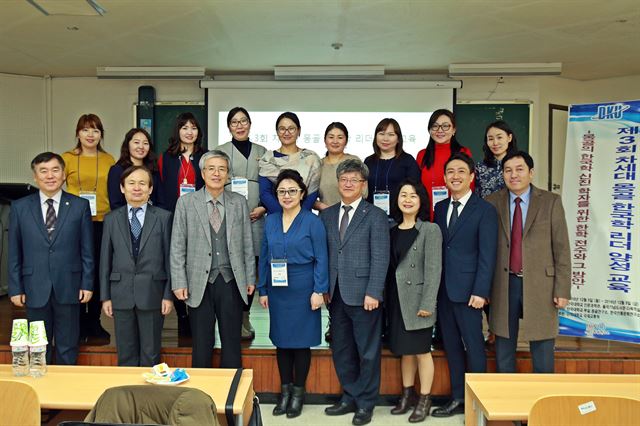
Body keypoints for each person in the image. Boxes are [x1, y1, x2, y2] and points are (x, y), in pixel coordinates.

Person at [486, 151, 571, 373]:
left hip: (541, 283)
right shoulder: (491, 203)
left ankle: (543, 399)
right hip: (504, 283)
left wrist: (562, 289)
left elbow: (561, 248)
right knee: (504, 345)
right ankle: (508, 399)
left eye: (519, 169)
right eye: (508, 170)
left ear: (531, 173)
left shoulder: (550, 202)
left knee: (542, 345)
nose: (513, 175)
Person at [170, 150, 255, 368]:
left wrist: (250, 278)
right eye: (211, 168)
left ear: (228, 174)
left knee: (232, 342)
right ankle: (201, 396)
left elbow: (247, 243)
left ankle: (231, 395)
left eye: (222, 169)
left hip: (231, 280)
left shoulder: (239, 202)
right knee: (201, 342)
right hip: (198, 283)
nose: (217, 173)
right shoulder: (186, 203)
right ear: (203, 172)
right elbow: (178, 246)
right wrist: (179, 281)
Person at [320, 159, 390, 426]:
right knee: (342, 349)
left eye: (354, 180)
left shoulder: (375, 215)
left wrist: (374, 292)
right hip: (336, 294)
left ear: (363, 185)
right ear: (338, 183)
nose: (348, 184)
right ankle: (349, 395)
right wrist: (324, 287)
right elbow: (325, 254)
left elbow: (381, 257)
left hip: (365, 296)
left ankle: (366, 403)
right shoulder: (326, 216)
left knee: (368, 352)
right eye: (344, 179)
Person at [8, 152, 94, 365]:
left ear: (64, 174)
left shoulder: (79, 206)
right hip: (34, 286)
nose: (50, 176)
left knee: (68, 346)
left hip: (70, 286)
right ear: (35, 177)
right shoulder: (20, 208)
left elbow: (87, 251)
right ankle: (41, 392)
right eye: (43, 171)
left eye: (55, 170)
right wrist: (15, 288)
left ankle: (65, 392)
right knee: (38, 347)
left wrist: (87, 283)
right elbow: (14, 252)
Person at [258, 169, 329, 418]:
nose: (286, 195)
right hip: (278, 290)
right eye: (281, 191)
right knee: (281, 341)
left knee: (301, 344)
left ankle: (298, 394)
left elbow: (322, 258)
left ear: (302, 194)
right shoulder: (271, 220)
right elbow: (264, 257)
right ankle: (284, 391)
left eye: (292, 191)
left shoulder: (313, 221)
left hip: (305, 287)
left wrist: (319, 290)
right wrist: (262, 288)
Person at [432, 152, 497, 417]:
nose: (455, 176)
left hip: (471, 293)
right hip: (445, 291)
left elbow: (487, 254)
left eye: (461, 171)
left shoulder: (485, 210)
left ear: (471, 177)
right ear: (445, 178)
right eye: (450, 172)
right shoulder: (439, 208)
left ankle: (477, 403)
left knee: (474, 347)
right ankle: (458, 398)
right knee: (452, 347)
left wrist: (481, 291)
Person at [100, 165, 173, 367]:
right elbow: (105, 260)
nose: (137, 188)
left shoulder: (163, 217)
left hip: (153, 293)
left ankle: (148, 397)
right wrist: (105, 296)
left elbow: (170, 258)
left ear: (150, 189)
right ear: (122, 188)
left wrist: (168, 295)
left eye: (142, 183)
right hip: (120, 293)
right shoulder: (111, 219)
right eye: (131, 183)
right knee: (125, 353)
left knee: (151, 353)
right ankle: (128, 395)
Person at [386, 178, 442, 423]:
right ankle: (406, 396)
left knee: (421, 352)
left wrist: (428, 304)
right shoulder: (390, 229)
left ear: (421, 201)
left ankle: (424, 400)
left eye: (413, 196)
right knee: (405, 352)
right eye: (403, 195)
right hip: (396, 300)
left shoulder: (430, 229)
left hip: (419, 302)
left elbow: (433, 270)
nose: (407, 200)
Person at [62, 113, 115, 341]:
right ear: (78, 133)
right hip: (72, 223)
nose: (90, 134)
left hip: (101, 222)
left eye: (95, 130)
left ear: (101, 134)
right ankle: (77, 322)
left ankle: (93, 322)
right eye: (85, 130)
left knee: (95, 272)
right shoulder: (66, 158)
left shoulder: (108, 159)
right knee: (75, 271)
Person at [217, 107, 267, 340]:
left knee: (252, 267)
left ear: (249, 124)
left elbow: (270, 184)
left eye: (243, 121)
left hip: (257, 218)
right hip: (230, 219)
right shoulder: (220, 151)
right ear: (229, 126)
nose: (239, 125)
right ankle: (234, 318)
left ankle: (246, 316)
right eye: (234, 122)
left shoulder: (262, 151)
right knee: (233, 267)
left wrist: (263, 207)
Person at [158, 112, 206, 337]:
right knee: (176, 263)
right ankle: (182, 315)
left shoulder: (205, 157)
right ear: (178, 131)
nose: (189, 132)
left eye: (194, 127)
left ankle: (195, 312)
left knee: (195, 263)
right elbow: (160, 188)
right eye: (185, 127)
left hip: (199, 218)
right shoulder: (166, 158)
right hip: (172, 216)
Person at [259, 112, 321, 213]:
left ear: (299, 131)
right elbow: (265, 193)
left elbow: (312, 192)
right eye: (282, 129)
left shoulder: (311, 159)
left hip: (303, 218)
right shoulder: (268, 159)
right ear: (277, 132)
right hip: (276, 218)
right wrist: (284, 215)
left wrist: (298, 216)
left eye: (291, 128)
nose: (286, 133)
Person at [416, 109, 473, 220]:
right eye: (435, 126)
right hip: (426, 216)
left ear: (454, 130)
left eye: (445, 126)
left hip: (456, 215)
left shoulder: (463, 152)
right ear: (429, 130)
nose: (440, 130)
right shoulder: (422, 155)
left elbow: (470, 185)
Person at [364, 118, 420, 217]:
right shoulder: (368, 161)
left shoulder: (407, 160)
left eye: (391, 135)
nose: (385, 139)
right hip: (371, 217)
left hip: (399, 218)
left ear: (398, 139)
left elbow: (415, 191)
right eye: (381, 134)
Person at [107, 128, 164, 210]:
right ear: (127, 145)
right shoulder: (117, 170)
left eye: (145, 143)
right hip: (125, 220)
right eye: (136, 142)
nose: (141, 147)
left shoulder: (153, 170)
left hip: (152, 219)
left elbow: (161, 202)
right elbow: (115, 204)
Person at [315, 122, 361, 211]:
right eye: (331, 137)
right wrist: (324, 208)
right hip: (326, 217)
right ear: (325, 140)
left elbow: (364, 192)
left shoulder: (354, 161)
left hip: (352, 216)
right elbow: (308, 196)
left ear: (346, 141)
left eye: (340, 137)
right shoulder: (317, 165)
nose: (335, 141)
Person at [475, 120, 519, 199]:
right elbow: (477, 195)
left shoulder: (519, 165)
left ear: (509, 138)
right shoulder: (480, 167)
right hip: (486, 210)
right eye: (491, 139)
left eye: (499, 137)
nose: (495, 143)